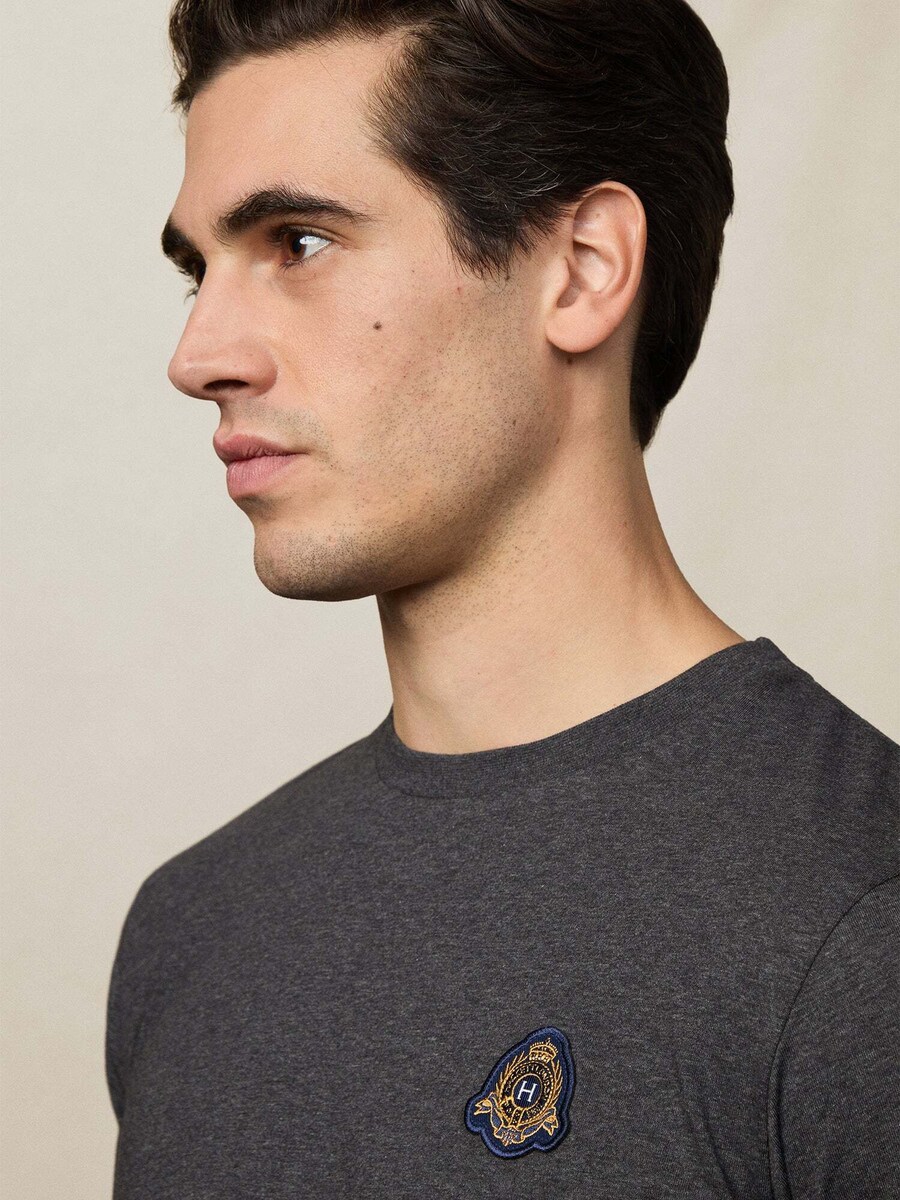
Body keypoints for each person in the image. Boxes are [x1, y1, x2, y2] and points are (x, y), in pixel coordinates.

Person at [105, 1, 899, 1196]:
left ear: (582, 270)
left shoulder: (858, 925)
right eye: (199, 270)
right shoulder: (189, 933)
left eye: (299, 242)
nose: (200, 355)